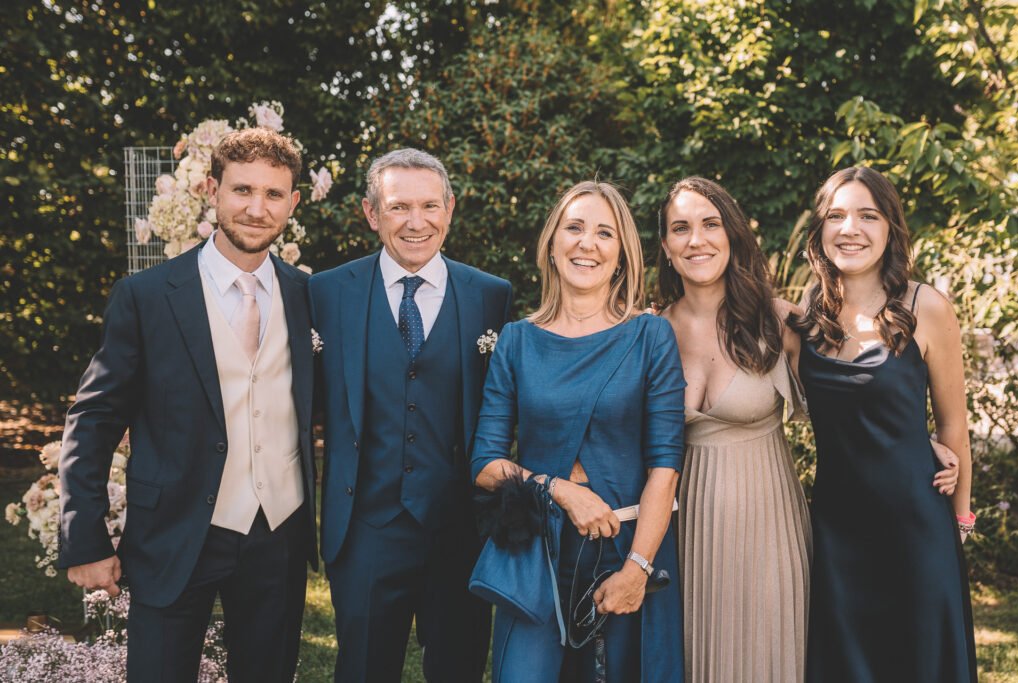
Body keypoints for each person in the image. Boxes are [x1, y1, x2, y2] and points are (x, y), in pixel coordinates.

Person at [57, 127, 318, 682]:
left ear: (293, 203)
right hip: (173, 531)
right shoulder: (146, 296)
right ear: (212, 190)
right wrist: (85, 538)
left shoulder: (309, 296)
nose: (257, 208)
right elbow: (94, 419)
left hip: (278, 534)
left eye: (273, 194)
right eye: (242, 190)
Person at [309, 148, 513, 683]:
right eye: (399, 207)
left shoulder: (492, 296)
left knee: (460, 671)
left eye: (429, 206)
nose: (416, 222)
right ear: (371, 214)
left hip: (460, 531)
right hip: (365, 529)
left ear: (450, 209)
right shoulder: (325, 293)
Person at [471, 181, 686, 682]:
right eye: (574, 228)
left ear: (622, 255)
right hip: (534, 552)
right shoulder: (517, 341)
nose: (587, 243)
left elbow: (666, 466)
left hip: (626, 547)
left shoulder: (650, 336)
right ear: (552, 244)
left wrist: (637, 569)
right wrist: (559, 489)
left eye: (605, 233)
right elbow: (484, 463)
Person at [791, 166, 977, 682]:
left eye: (868, 216)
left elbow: (954, 426)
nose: (850, 229)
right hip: (836, 532)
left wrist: (960, 522)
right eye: (836, 216)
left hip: (916, 527)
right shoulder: (805, 312)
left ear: (890, 227)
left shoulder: (926, 306)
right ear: (820, 229)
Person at [654, 176, 813, 682]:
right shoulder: (649, 331)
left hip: (769, 528)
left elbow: (851, 410)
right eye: (681, 228)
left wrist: (919, 443)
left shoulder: (779, 321)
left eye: (710, 224)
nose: (696, 240)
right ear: (666, 247)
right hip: (680, 536)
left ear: (733, 235)